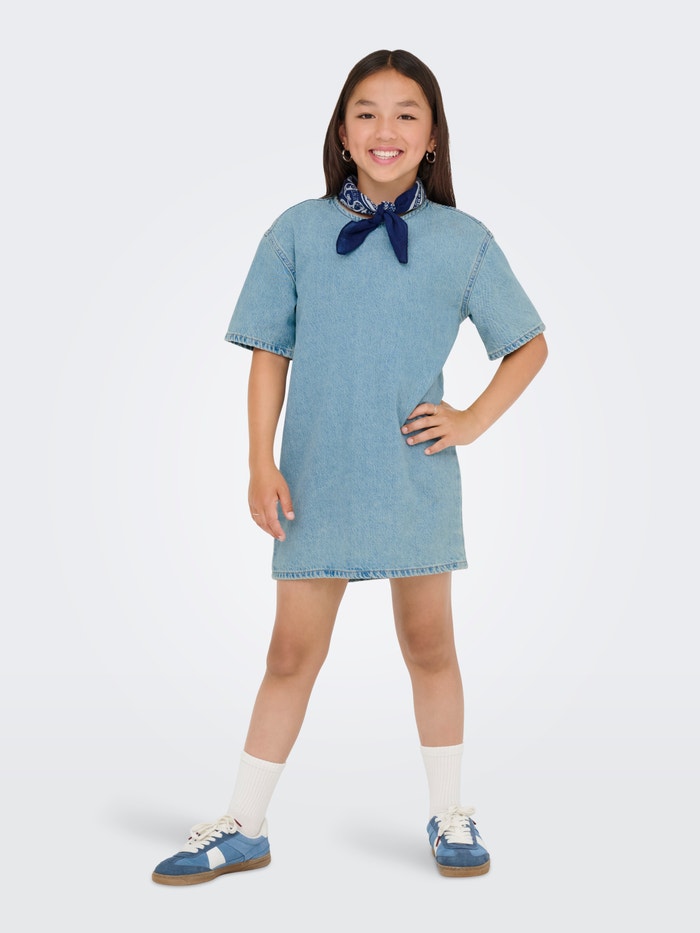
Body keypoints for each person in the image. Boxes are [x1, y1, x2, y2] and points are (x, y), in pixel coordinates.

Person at [152, 48, 547, 885]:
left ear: (433, 137)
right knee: (290, 652)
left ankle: (450, 811)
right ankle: (245, 824)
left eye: (407, 113)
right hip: (315, 477)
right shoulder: (296, 231)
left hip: (413, 475)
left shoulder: (464, 241)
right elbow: (269, 352)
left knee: (429, 643)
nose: (384, 129)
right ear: (341, 130)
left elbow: (527, 345)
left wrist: (471, 419)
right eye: (366, 112)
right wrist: (259, 461)